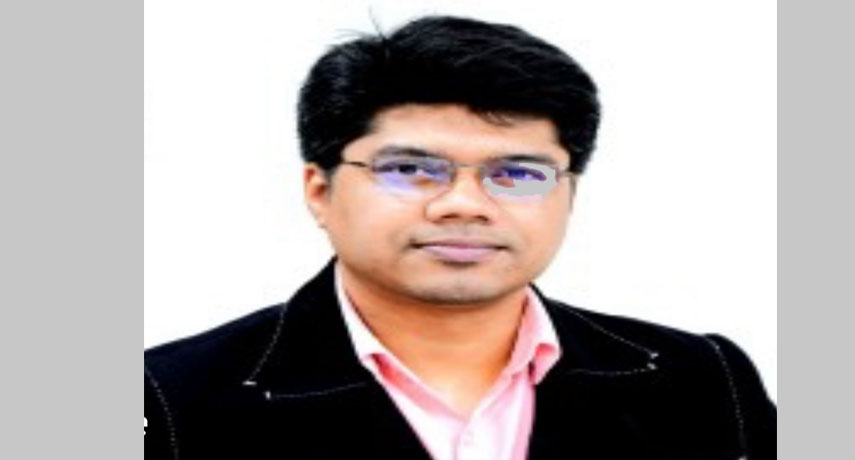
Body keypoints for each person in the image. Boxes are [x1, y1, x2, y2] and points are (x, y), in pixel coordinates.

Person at [144, 15, 775, 460]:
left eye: (517, 174)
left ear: (569, 194)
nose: (464, 205)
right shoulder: (166, 399)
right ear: (319, 190)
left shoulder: (702, 379)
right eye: (410, 169)